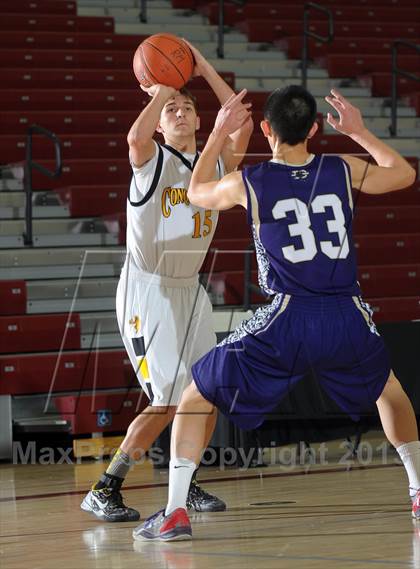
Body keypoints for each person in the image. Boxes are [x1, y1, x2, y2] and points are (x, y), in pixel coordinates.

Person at [132, 85, 420, 541]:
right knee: (389, 390)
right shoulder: (341, 167)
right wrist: (360, 131)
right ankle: (419, 490)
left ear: (265, 130)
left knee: (195, 394)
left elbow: (196, 193)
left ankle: (173, 512)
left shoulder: (251, 181)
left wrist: (218, 136)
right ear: (314, 128)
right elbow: (403, 174)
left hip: (287, 317)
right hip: (346, 313)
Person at [80, 43, 253, 522]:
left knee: (208, 391)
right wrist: (162, 89)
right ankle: (105, 487)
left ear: (201, 121)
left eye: (187, 107)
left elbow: (239, 123)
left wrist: (201, 68)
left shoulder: (215, 165)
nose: (179, 111)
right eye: (170, 110)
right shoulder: (152, 159)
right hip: (148, 287)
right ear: (159, 121)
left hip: (189, 288)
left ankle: (185, 482)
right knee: (168, 399)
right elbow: (135, 138)